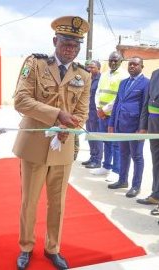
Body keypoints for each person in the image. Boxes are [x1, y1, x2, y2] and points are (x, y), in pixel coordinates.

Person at [13, 16, 91, 270]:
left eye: (76, 45)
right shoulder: (34, 64)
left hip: (63, 144)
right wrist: (57, 115)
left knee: (58, 203)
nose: (71, 48)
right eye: (66, 42)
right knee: (30, 201)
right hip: (34, 143)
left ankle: (52, 248)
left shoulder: (83, 74)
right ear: (55, 41)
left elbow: (82, 111)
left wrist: (71, 126)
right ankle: (26, 246)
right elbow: (21, 100)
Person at [108, 56, 149, 197]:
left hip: (135, 127)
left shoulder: (146, 83)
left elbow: (145, 107)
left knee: (137, 156)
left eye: (135, 64)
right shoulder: (123, 82)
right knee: (123, 154)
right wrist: (112, 123)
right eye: (130, 64)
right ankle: (122, 180)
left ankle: (136, 186)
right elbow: (117, 104)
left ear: (141, 67)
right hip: (120, 125)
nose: (132, 66)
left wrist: (142, 127)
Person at [91, 51, 128, 181]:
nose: (113, 62)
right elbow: (98, 92)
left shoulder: (124, 75)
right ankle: (106, 166)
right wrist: (98, 108)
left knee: (116, 143)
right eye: (111, 60)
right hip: (102, 114)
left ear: (121, 61)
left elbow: (119, 96)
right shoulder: (105, 74)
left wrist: (104, 109)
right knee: (106, 140)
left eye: (115, 60)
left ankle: (116, 170)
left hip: (114, 114)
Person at [137, 68, 159, 206]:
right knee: (156, 160)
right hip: (153, 124)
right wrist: (143, 126)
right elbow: (147, 102)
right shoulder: (155, 73)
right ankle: (156, 194)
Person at [81, 60, 103, 169]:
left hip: (96, 112)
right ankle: (92, 157)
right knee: (89, 135)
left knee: (96, 136)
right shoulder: (88, 79)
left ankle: (97, 160)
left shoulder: (101, 80)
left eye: (92, 67)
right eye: (89, 67)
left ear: (99, 68)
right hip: (88, 111)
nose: (90, 69)